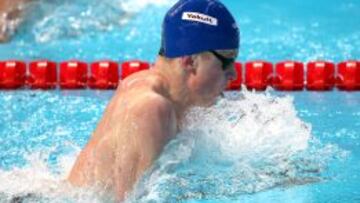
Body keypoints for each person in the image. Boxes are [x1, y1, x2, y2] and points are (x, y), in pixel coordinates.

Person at [67, 0, 240, 201]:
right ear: (190, 61)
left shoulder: (166, 94)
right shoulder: (151, 108)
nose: (233, 74)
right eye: (226, 61)